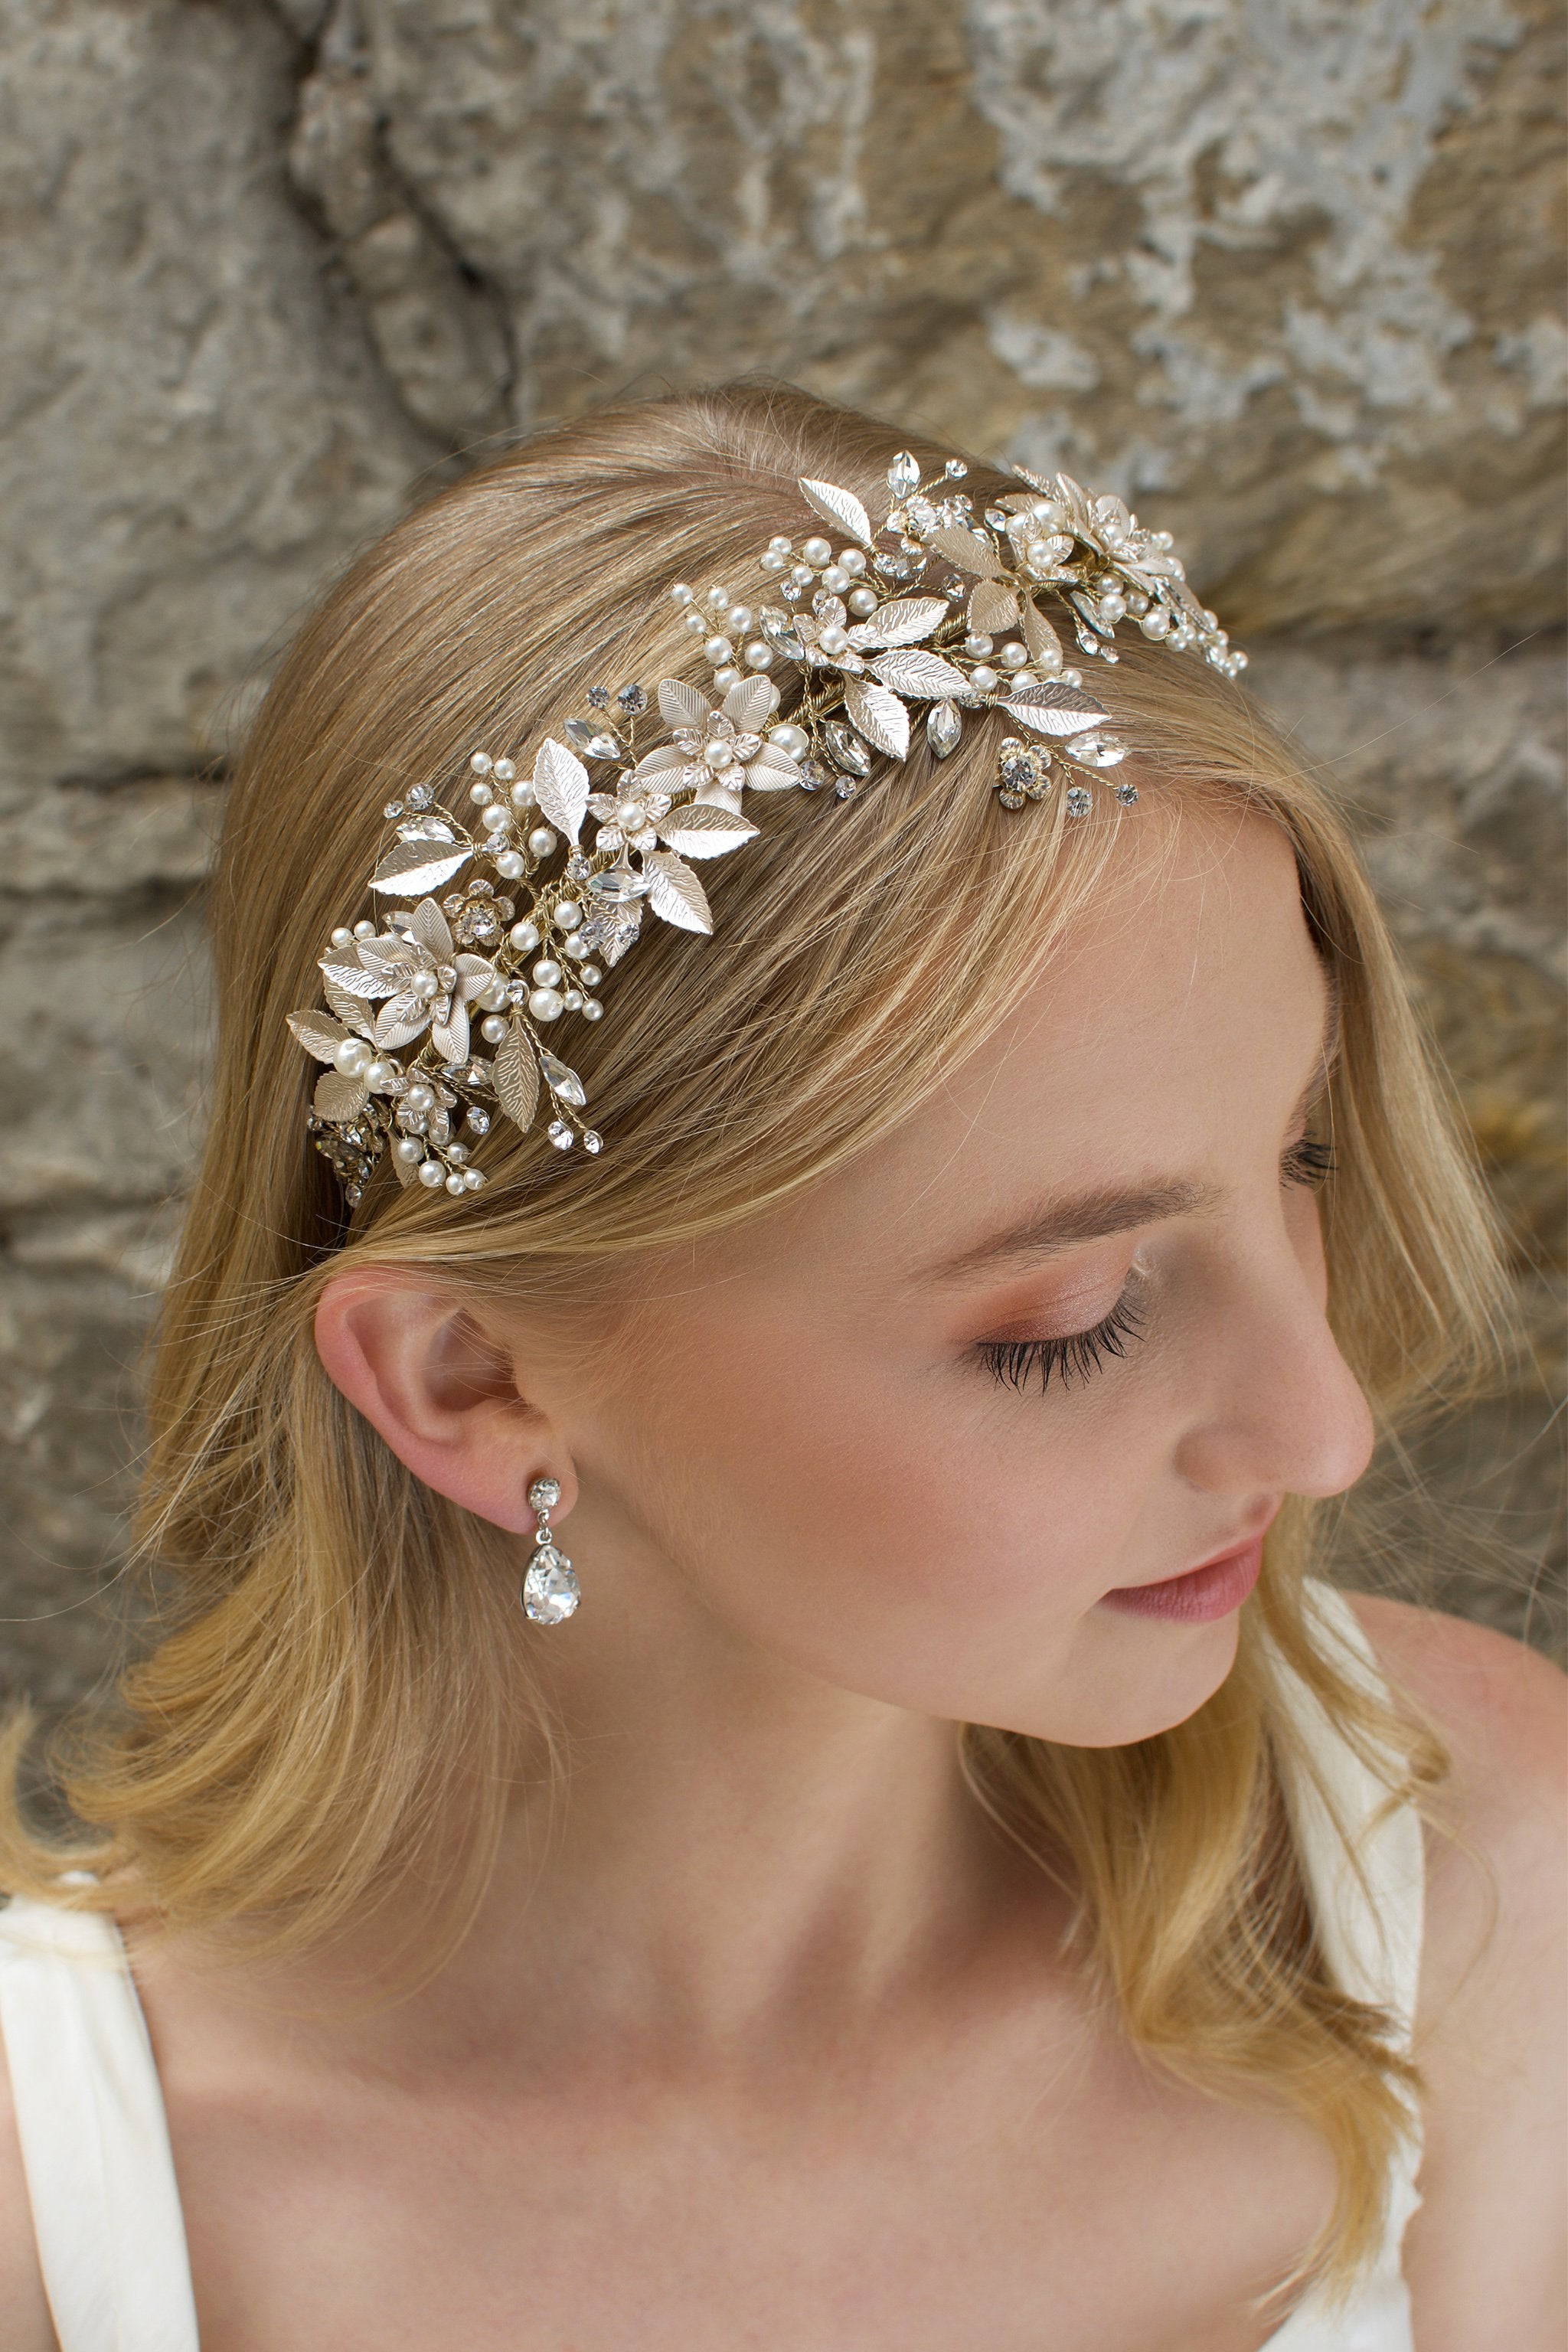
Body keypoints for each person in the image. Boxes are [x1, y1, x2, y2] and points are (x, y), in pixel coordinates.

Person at [0, 386, 1560, 2350]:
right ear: (472, 1377)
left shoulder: (1464, 1876)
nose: (1323, 1423)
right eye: (1066, 1321)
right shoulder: (73, 2218)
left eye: (1301, 1159)